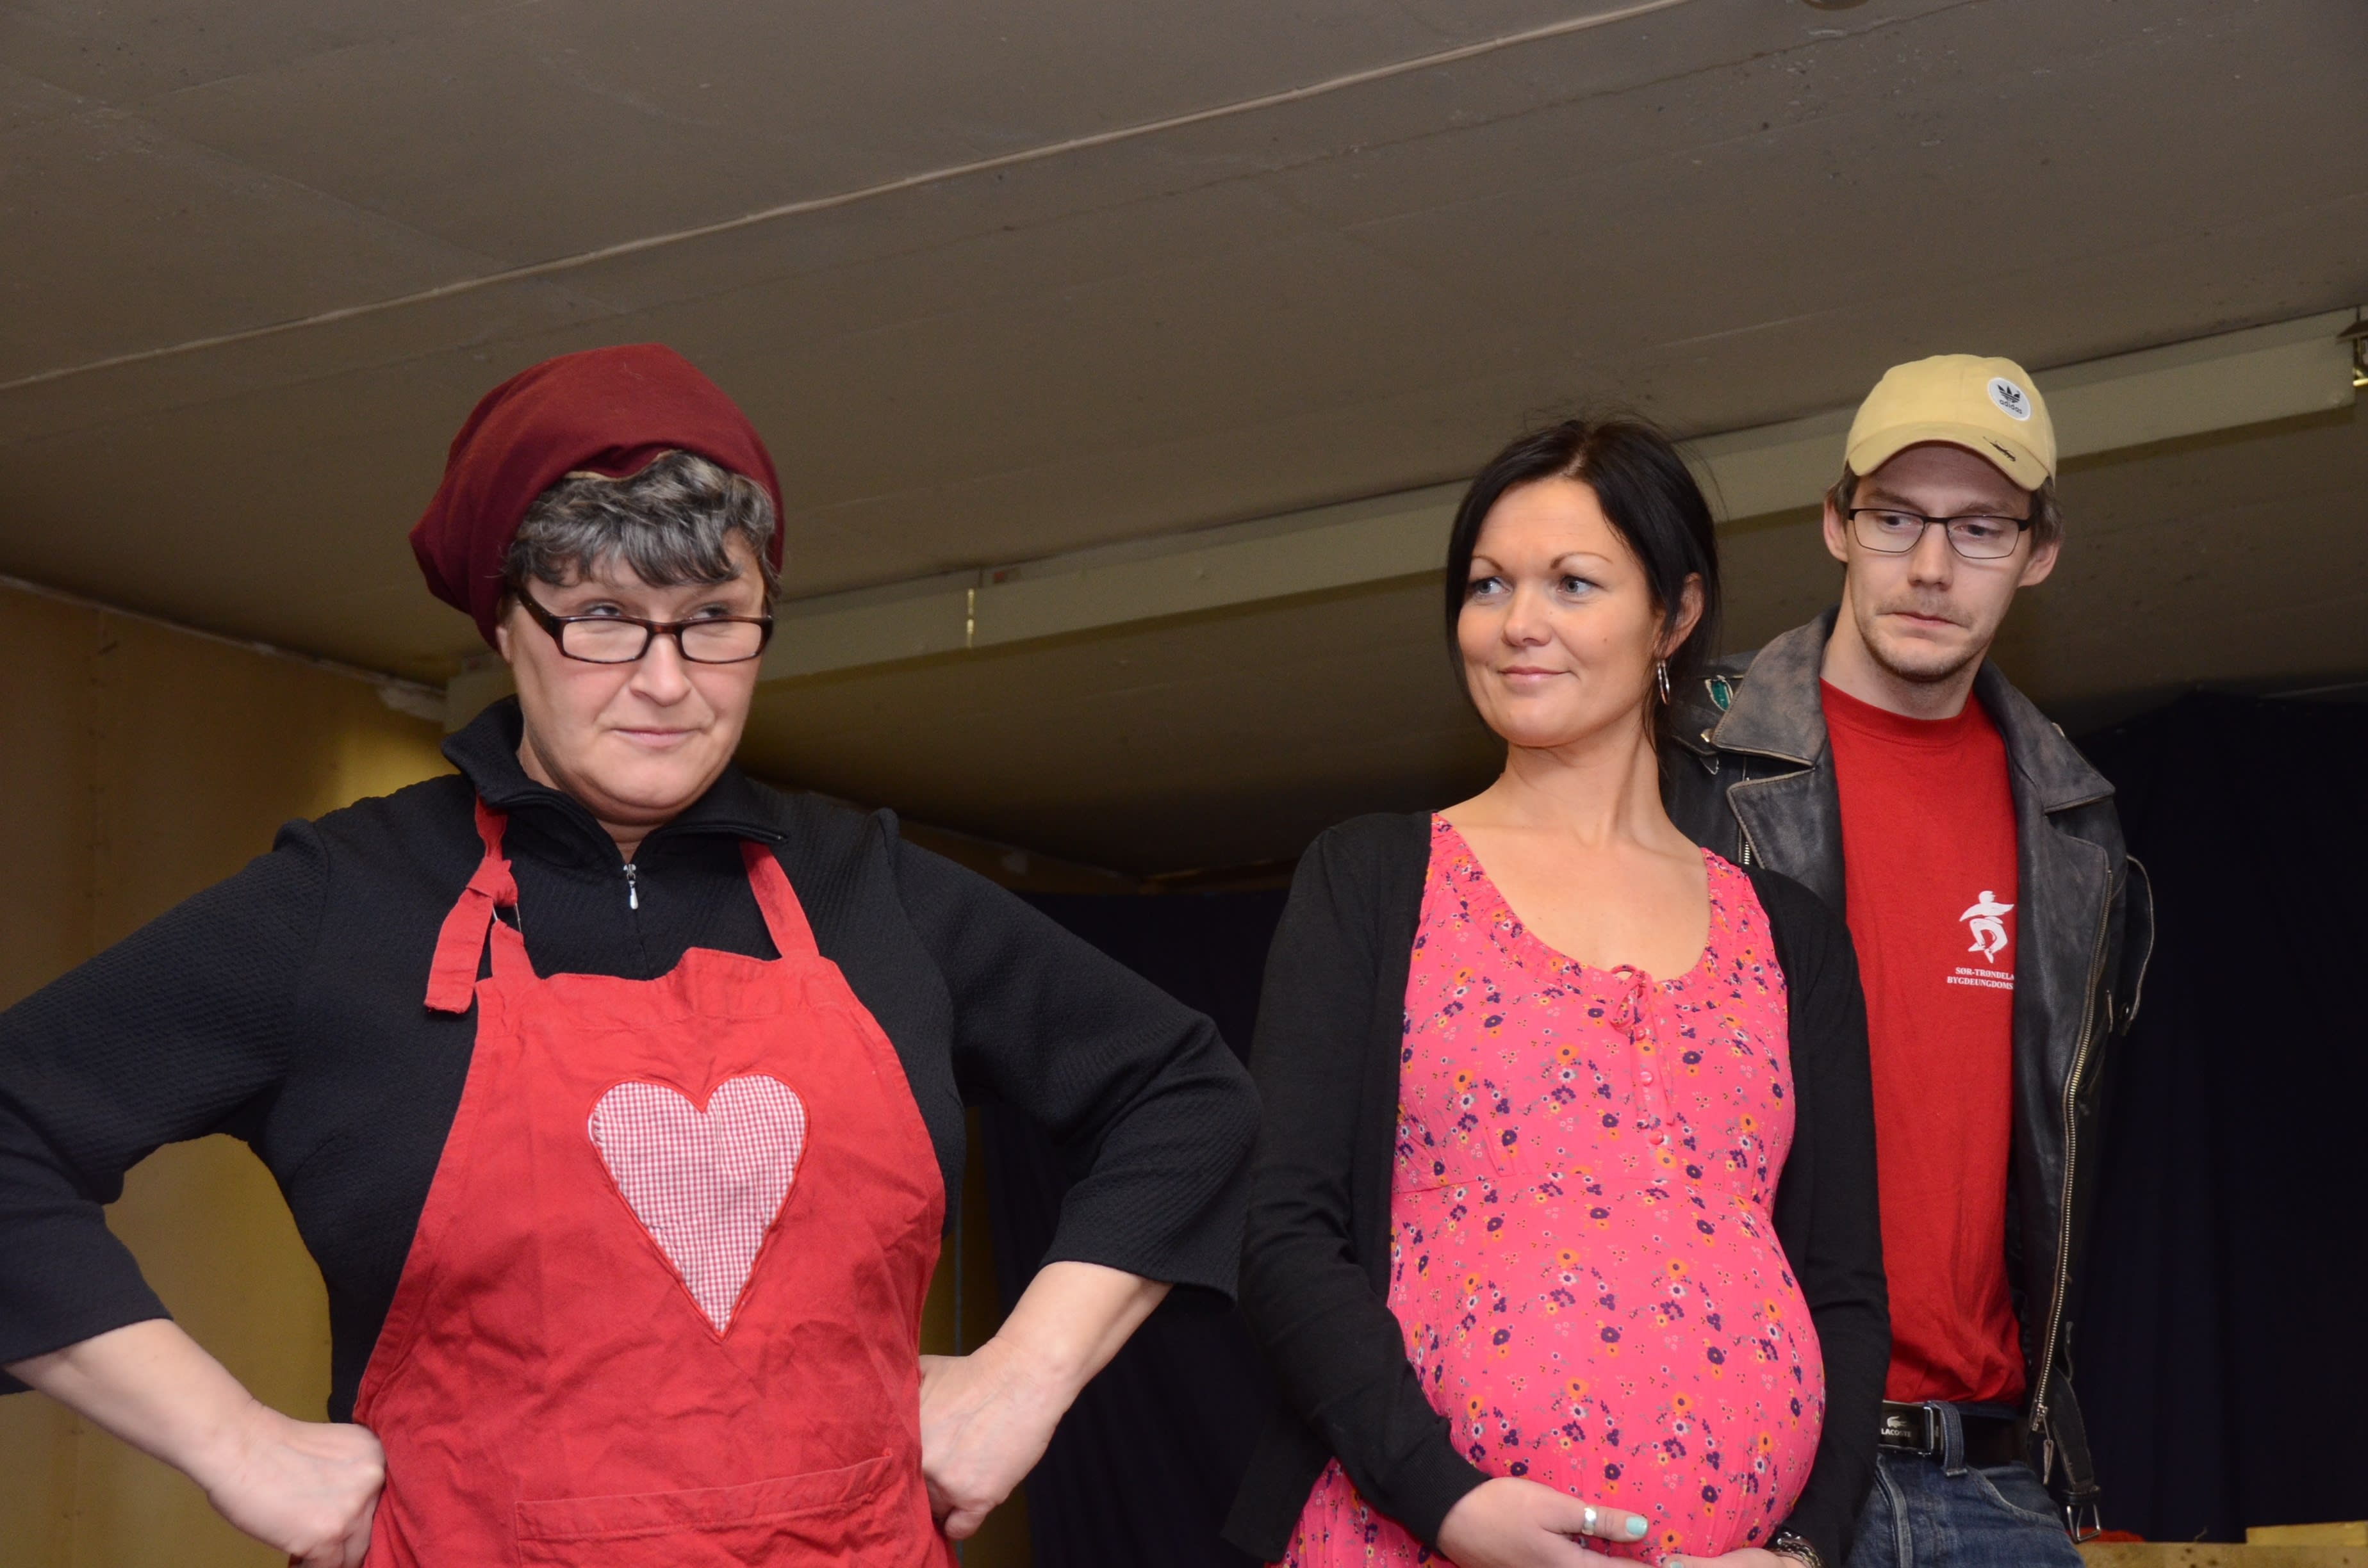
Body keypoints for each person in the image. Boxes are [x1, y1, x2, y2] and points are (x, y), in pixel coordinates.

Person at [0, 344, 1260, 1567]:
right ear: (506, 624)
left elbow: (1185, 1090)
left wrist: (1025, 1379)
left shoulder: (871, 892)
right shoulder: (345, 904)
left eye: (713, 621)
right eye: (604, 618)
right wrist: (229, 1442)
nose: (667, 683)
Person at [1226, 418, 1889, 1568]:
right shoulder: (1375, 878)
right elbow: (1281, 1232)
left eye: (1572, 583)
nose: (1517, 623)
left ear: (1673, 616)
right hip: (1410, 1536)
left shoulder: (1789, 936)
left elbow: (1845, 1291)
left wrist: (1806, 1551)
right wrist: (1448, 1503)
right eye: (1488, 585)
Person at [1663, 355, 2155, 1566]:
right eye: (1896, 518)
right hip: (1742, 1459)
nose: (1931, 567)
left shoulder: (2078, 831)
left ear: (2038, 553)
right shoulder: (1684, 767)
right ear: (1837, 523)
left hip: (1991, 1485)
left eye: (1980, 528)